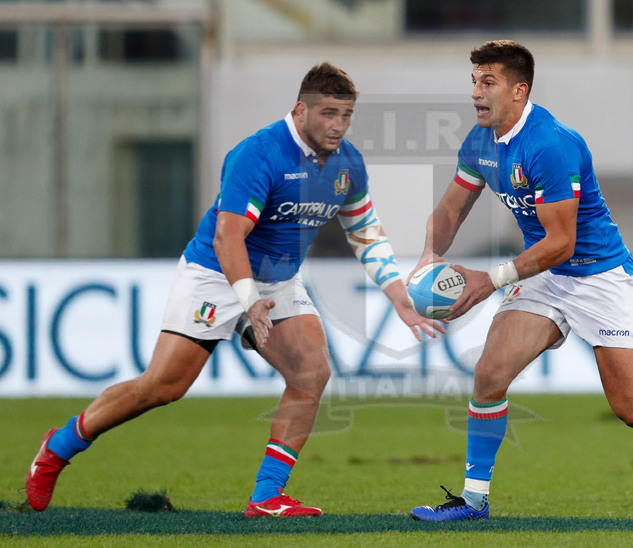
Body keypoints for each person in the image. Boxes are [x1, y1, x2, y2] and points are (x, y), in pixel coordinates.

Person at [25, 62, 444, 517]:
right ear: (300, 109)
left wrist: (398, 296)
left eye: (346, 115)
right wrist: (249, 303)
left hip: (279, 280)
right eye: (328, 113)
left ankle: (267, 496)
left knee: (311, 373)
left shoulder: (348, 164)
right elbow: (228, 238)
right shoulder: (259, 154)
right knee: (162, 387)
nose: (338, 125)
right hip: (216, 275)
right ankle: (59, 446)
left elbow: (365, 232)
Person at [409, 41, 633, 522]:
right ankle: (473, 500)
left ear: (519, 89)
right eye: (473, 81)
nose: (476, 92)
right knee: (489, 374)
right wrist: (428, 258)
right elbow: (451, 209)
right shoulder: (480, 141)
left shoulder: (550, 144)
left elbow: (563, 242)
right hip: (542, 275)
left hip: (598, 277)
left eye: (488, 82)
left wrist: (490, 280)